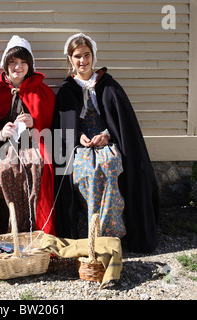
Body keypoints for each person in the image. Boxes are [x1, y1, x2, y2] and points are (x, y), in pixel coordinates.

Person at [54, 33, 159, 253]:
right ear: (70, 60)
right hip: (81, 148)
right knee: (86, 173)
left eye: (86, 55)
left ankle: (111, 235)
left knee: (110, 167)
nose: (82, 61)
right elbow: (63, 127)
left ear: (93, 56)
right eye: (77, 56)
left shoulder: (108, 85)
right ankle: (89, 235)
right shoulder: (66, 90)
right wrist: (77, 137)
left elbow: (122, 124)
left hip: (106, 142)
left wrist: (107, 135)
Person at [0, 35, 56, 236]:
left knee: (35, 167)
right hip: (5, 148)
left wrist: (35, 124)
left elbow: (50, 125)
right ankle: (10, 227)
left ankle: (33, 227)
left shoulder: (42, 92)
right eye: (13, 62)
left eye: (23, 62)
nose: (18, 67)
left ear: (30, 65)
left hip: (32, 145)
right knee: (4, 169)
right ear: (5, 64)